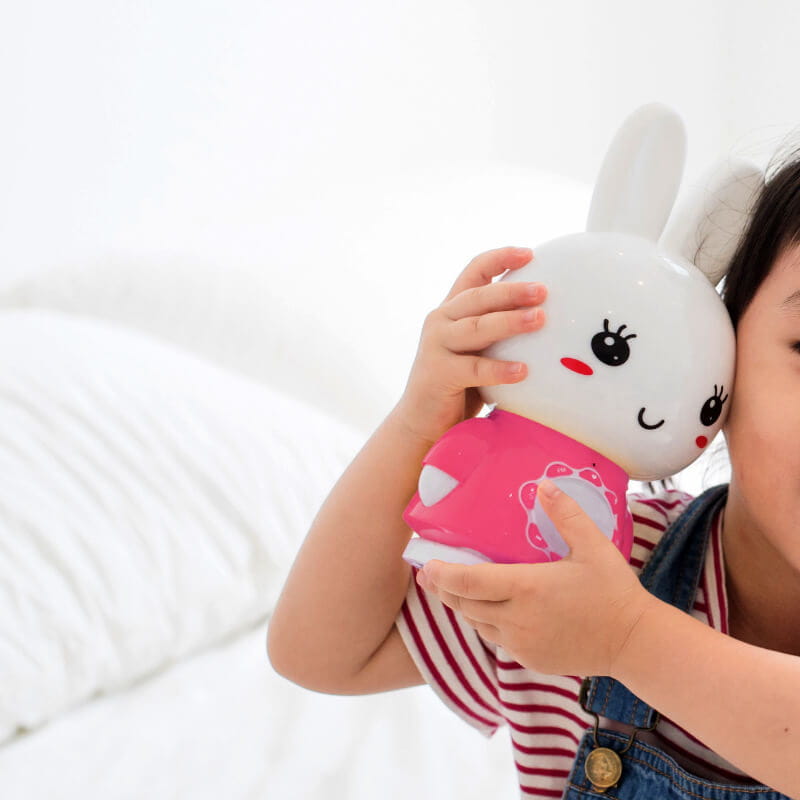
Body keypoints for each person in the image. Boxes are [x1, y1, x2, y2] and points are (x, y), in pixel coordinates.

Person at [266, 147, 800, 799]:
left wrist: (628, 640)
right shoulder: (583, 562)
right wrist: (416, 426)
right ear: (724, 354)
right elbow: (319, 654)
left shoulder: (604, 613)